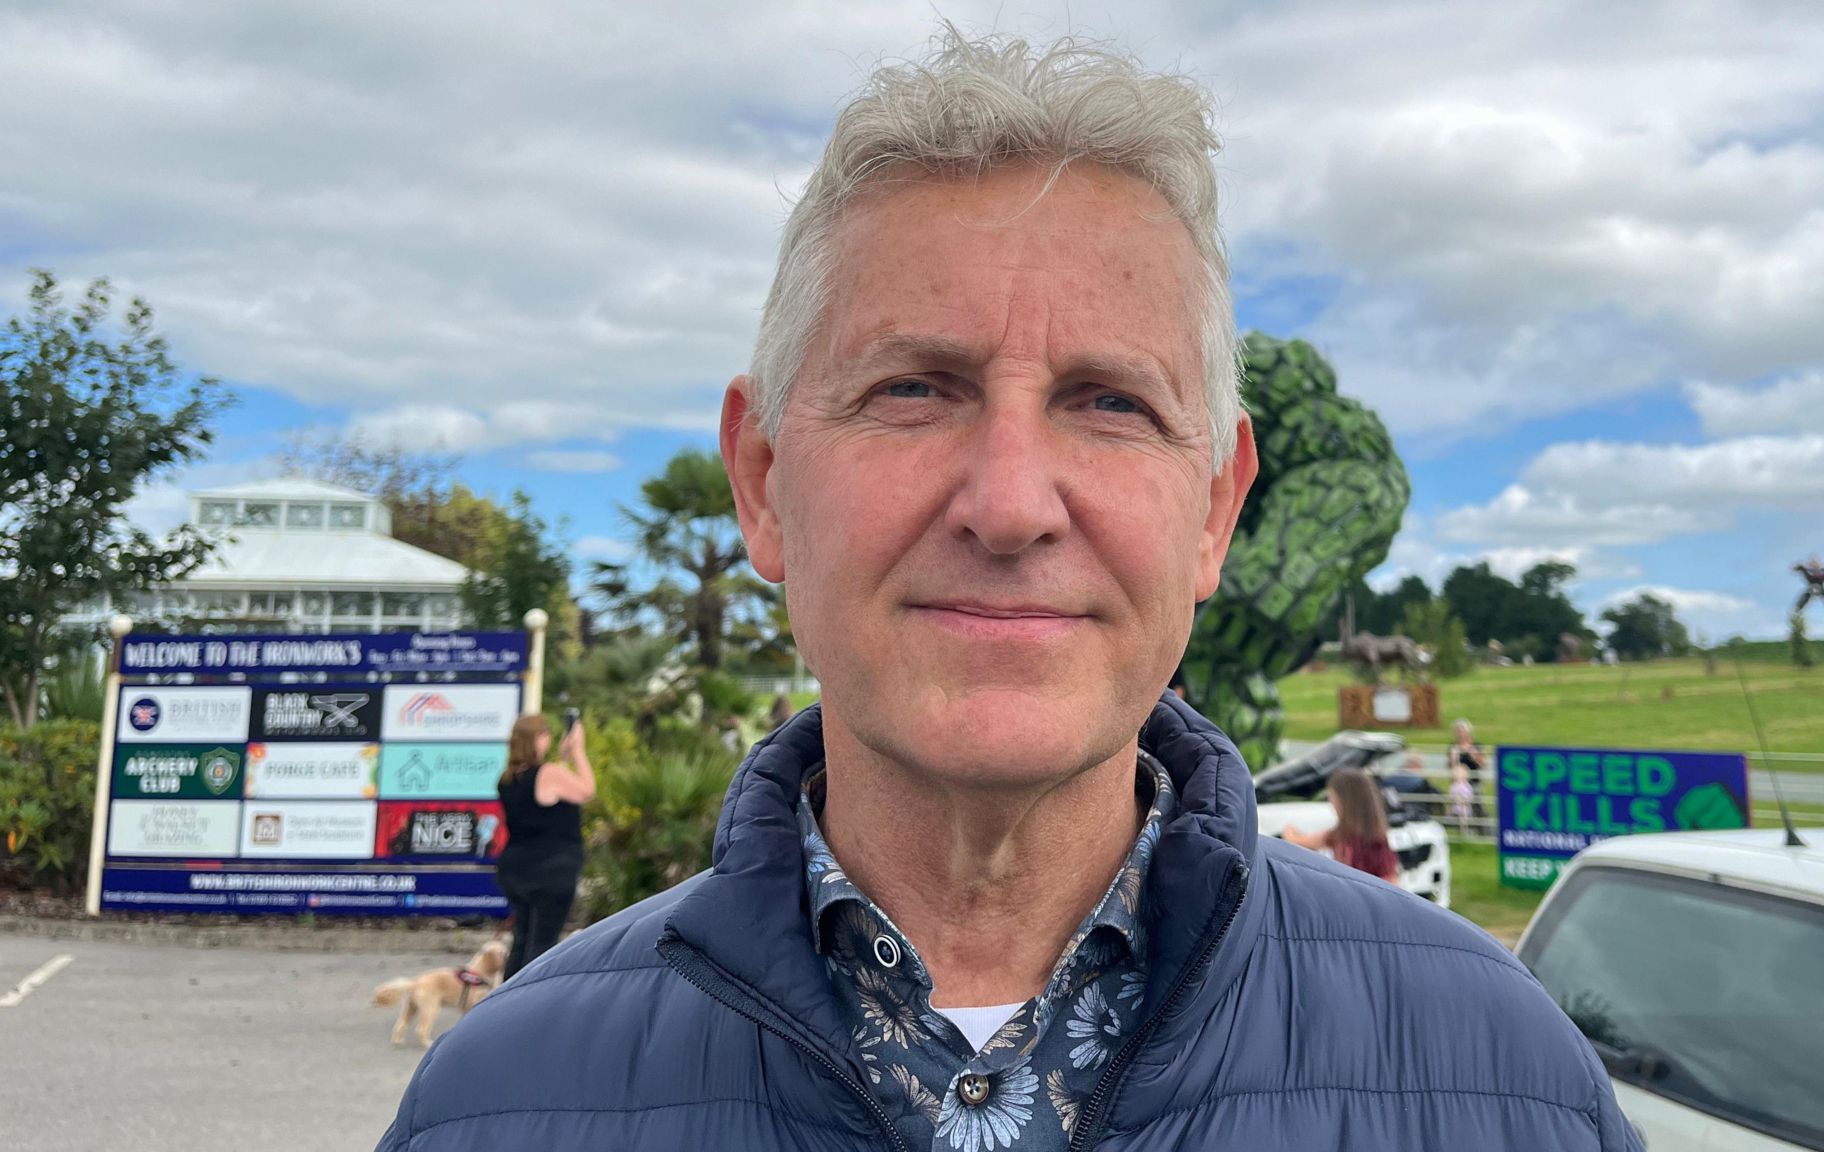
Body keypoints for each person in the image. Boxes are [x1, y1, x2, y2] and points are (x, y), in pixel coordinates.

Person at [382, 30, 1638, 1152]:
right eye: (913, 389)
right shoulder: (496, 1103)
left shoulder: (1509, 1085)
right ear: (762, 481)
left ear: (1212, 510)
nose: (1011, 504)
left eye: (1109, 403)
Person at [493, 712, 593, 979]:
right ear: (537, 739)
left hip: (516, 868)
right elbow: (586, 790)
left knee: (522, 940)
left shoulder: (507, 779)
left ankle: (508, 1004)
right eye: (545, 734)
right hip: (551, 869)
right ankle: (532, 1007)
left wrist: (564, 759)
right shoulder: (549, 774)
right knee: (543, 945)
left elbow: (548, 796)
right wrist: (579, 752)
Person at [1280, 767, 1399, 881]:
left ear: (1342, 800)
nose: (1331, 802)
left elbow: (1295, 840)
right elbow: (1391, 878)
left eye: (1331, 797)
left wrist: (1288, 828)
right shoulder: (1379, 838)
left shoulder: (1339, 837)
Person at [1447, 717, 1484, 833]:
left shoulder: (1476, 745)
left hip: (1473, 781)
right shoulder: (1453, 747)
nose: (1461, 733)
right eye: (1458, 731)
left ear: (1468, 732)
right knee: (1459, 808)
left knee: (1477, 805)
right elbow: (1449, 766)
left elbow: (1483, 763)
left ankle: (1481, 829)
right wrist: (1453, 757)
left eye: (1462, 730)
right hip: (1458, 782)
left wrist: (1474, 755)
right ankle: (1462, 831)